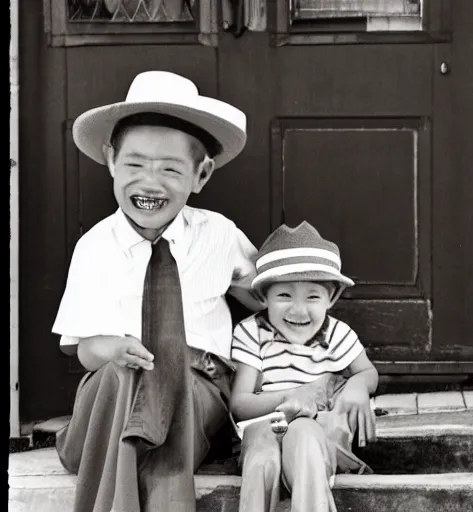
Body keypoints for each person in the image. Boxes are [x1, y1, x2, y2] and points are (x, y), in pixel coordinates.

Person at [52, 70, 264, 512]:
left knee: (172, 381)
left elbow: (264, 292)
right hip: (114, 394)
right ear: (111, 161)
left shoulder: (219, 236)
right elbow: (83, 350)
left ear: (201, 174)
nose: (150, 182)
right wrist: (111, 348)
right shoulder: (93, 248)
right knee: (124, 374)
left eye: (170, 169)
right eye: (135, 164)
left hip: (195, 392)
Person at [230, 221, 379, 512]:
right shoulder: (251, 333)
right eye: (284, 295)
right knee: (261, 457)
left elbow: (367, 371)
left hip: (320, 431)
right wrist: (291, 398)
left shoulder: (337, 334)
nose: (298, 310)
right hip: (269, 425)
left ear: (331, 297)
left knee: (302, 435)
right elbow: (240, 404)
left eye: (312, 296)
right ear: (263, 297)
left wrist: (358, 386)